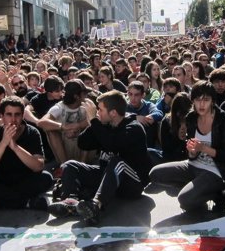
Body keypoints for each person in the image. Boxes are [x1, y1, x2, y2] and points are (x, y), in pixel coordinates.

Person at [48, 90, 151, 224]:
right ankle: (70, 203)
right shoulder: (105, 126)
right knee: (70, 165)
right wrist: (94, 124)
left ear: (113, 113)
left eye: (101, 110)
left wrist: (94, 121)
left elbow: (112, 145)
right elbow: (83, 143)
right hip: (108, 178)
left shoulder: (134, 128)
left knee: (117, 162)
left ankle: (96, 205)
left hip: (132, 183)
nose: (97, 113)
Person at [149, 81, 225, 212]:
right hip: (194, 164)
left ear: (212, 101)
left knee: (185, 201)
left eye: (206, 100)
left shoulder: (224, 119)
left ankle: (218, 193)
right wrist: (192, 151)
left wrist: (204, 148)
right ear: (193, 101)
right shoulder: (191, 117)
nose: (201, 104)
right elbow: (190, 151)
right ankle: (200, 192)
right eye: (198, 100)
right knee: (155, 174)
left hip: (217, 170)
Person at [0, 96, 54, 211]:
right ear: (2, 117)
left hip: (24, 179)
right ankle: (25, 202)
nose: (13, 119)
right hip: (0, 180)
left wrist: (14, 146)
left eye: (17, 115)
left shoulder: (32, 132)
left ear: (22, 115)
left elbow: (38, 166)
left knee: (46, 178)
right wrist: (4, 142)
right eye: (9, 114)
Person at [38, 79, 94, 166]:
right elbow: (41, 122)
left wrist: (78, 125)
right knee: (51, 131)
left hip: (83, 150)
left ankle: (83, 164)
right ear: (76, 96)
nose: (86, 95)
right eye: (84, 93)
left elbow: (97, 119)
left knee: (90, 128)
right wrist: (63, 127)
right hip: (66, 149)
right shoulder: (59, 107)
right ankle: (64, 166)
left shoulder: (87, 104)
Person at [125, 80, 163, 147]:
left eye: (136, 95)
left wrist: (150, 117)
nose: (133, 98)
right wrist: (135, 118)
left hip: (147, 144)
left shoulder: (148, 105)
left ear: (143, 95)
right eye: (130, 94)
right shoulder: (124, 106)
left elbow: (159, 113)